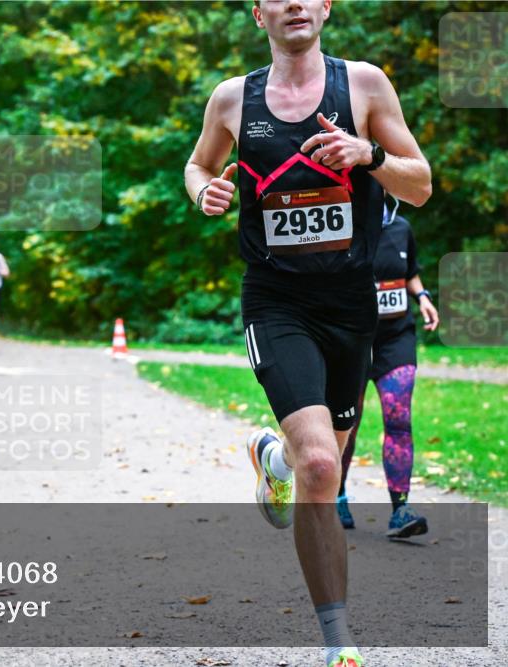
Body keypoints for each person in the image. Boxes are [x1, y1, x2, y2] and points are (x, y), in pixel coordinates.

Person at [183, 1, 431, 665]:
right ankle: (339, 643)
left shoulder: (367, 85)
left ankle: (273, 457)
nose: (295, 2)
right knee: (321, 464)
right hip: (277, 302)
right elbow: (198, 164)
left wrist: (369, 153)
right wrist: (203, 190)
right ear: (257, 12)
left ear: (324, 6)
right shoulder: (234, 98)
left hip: (352, 309)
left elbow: (423, 182)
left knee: (327, 460)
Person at [336, 194, 439, 537]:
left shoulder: (401, 227)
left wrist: (422, 297)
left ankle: (401, 509)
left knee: (399, 417)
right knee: (346, 424)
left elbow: (410, 272)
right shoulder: (340, 225)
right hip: (351, 339)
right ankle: (335, 497)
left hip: (396, 338)